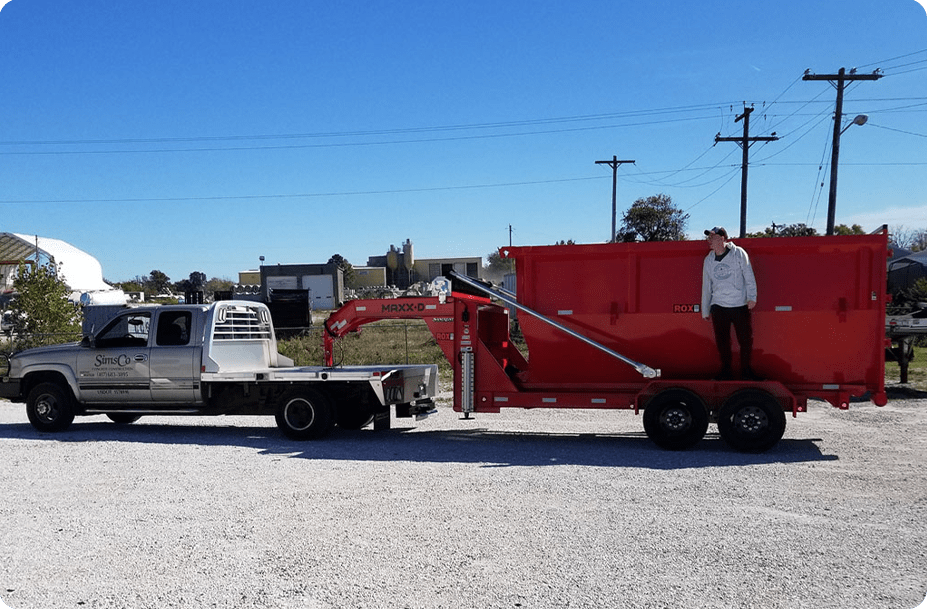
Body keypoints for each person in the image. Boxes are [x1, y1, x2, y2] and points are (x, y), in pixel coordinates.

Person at [701, 226, 761, 380]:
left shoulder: (738, 253)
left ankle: (746, 370)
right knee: (723, 342)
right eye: (708, 238)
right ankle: (726, 371)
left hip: (739, 304)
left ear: (722, 238)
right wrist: (705, 310)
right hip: (719, 305)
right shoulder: (709, 260)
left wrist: (751, 297)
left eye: (712, 238)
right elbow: (706, 285)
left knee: (745, 340)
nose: (709, 241)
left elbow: (748, 274)